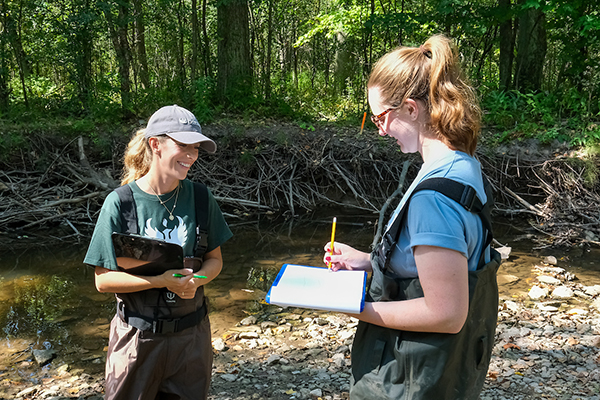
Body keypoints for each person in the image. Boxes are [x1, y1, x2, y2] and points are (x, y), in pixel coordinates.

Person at [323, 35, 501, 399]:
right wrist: (369, 261)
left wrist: (357, 308)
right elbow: (443, 266)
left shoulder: (432, 198)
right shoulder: (464, 166)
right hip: (453, 369)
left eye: (380, 117)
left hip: (411, 375)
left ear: (410, 108)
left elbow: (446, 313)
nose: (379, 129)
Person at [84, 104, 233, 400]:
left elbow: (215, 261)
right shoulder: (120, 204)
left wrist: (198, 280)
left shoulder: (201, 198)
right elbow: (103, 281)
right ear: (156, 144)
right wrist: (159, 281)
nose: (191, 155)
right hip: (137, 340)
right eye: (183, 145)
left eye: (196, 148)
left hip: (191, 341)